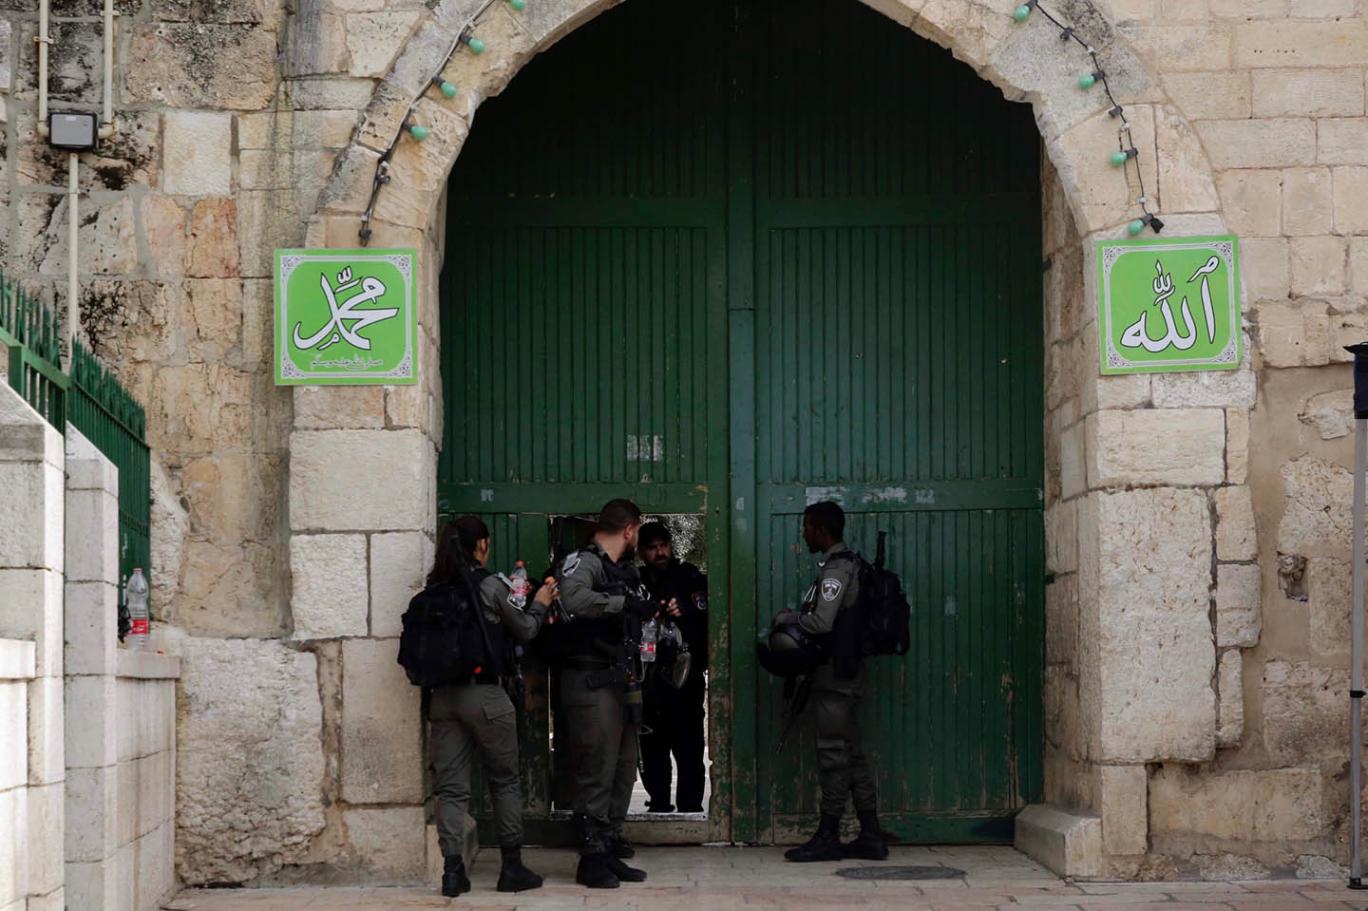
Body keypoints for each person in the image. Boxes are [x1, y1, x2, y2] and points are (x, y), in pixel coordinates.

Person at [426, 516, 555, 897]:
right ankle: (511, 868)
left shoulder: (435, 588)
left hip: (442, 698)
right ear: (481, 544)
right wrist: (540, 603)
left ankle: (453, 873)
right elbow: (526, 629)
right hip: (486, 696)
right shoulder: (489, 585)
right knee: (505, 781)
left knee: (451, 790)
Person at [554, 498, 664, 889]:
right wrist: (623, 604)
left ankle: (608, 843)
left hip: (620, 681)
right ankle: (590, 857)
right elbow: (572, 598)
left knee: (622, 767)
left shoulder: (623, 571)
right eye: (638, 532)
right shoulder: (583, 562)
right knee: (596, 769)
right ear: (630, 530)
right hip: (590, 680)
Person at [773, 501, 888, 862]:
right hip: (843, 674)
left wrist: (788, 619)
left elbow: (822, 622)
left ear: (821, 530)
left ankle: (829, 835)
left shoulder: (837, 569)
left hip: (836, 677)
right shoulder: (846, 565)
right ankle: (870, 834)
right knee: (851, 753)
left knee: (833, 754)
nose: (804, 534)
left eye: (807, 527)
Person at [638, 521, 708, 814]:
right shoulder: (637, 581)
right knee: (652, 749)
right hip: (649, 683)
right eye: (652, 548)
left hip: (685, 680)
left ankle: (690, 809)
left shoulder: (689, 577)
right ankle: (658, 806)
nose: (660, 553)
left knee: (689, 748)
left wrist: (684, 612)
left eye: (664, 545)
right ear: (641, 552)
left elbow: (708, 619)